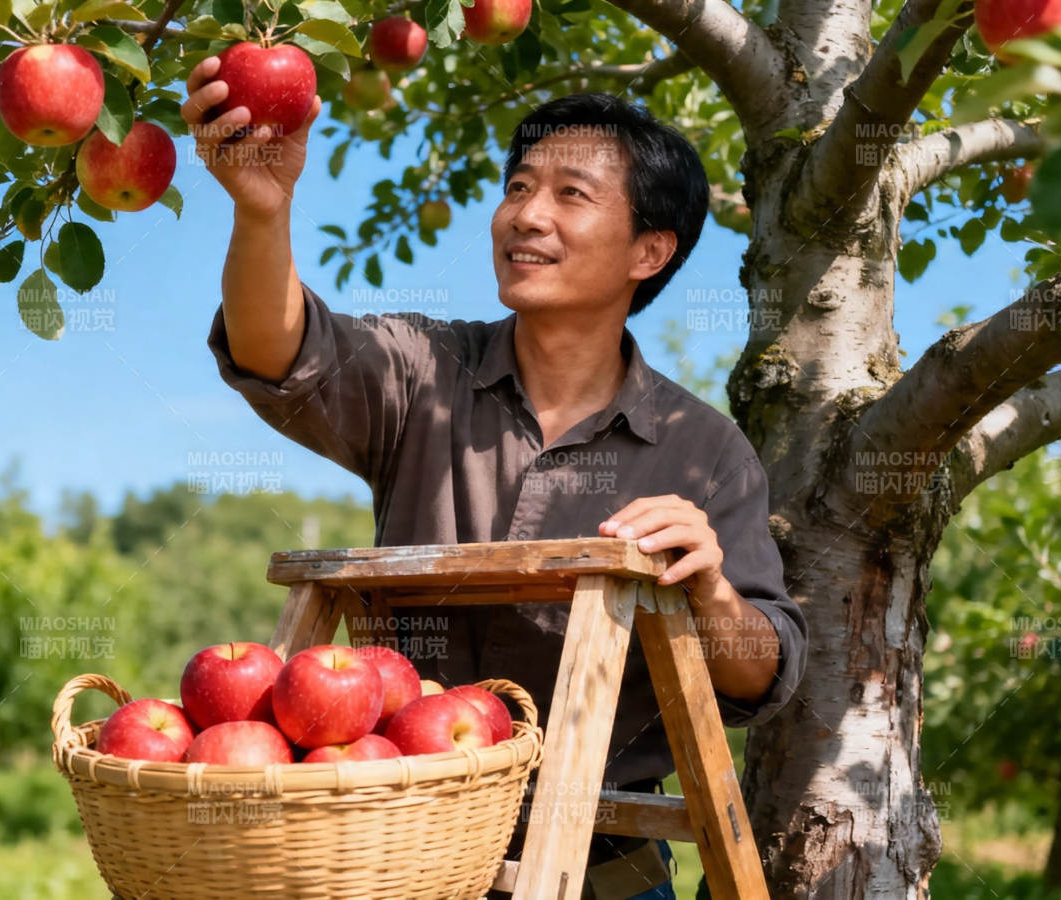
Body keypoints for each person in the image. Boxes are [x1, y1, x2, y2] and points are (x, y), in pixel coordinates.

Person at [181, 66, 807, 899]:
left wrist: (715, 592)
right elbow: (279, 352)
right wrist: (262, 211)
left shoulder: (703, 450)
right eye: (518, 187)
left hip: (602, 870)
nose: (526, 215)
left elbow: (761, 673)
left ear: (649, 251)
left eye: (570, 195)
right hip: (399, 857)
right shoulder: (423, 372)